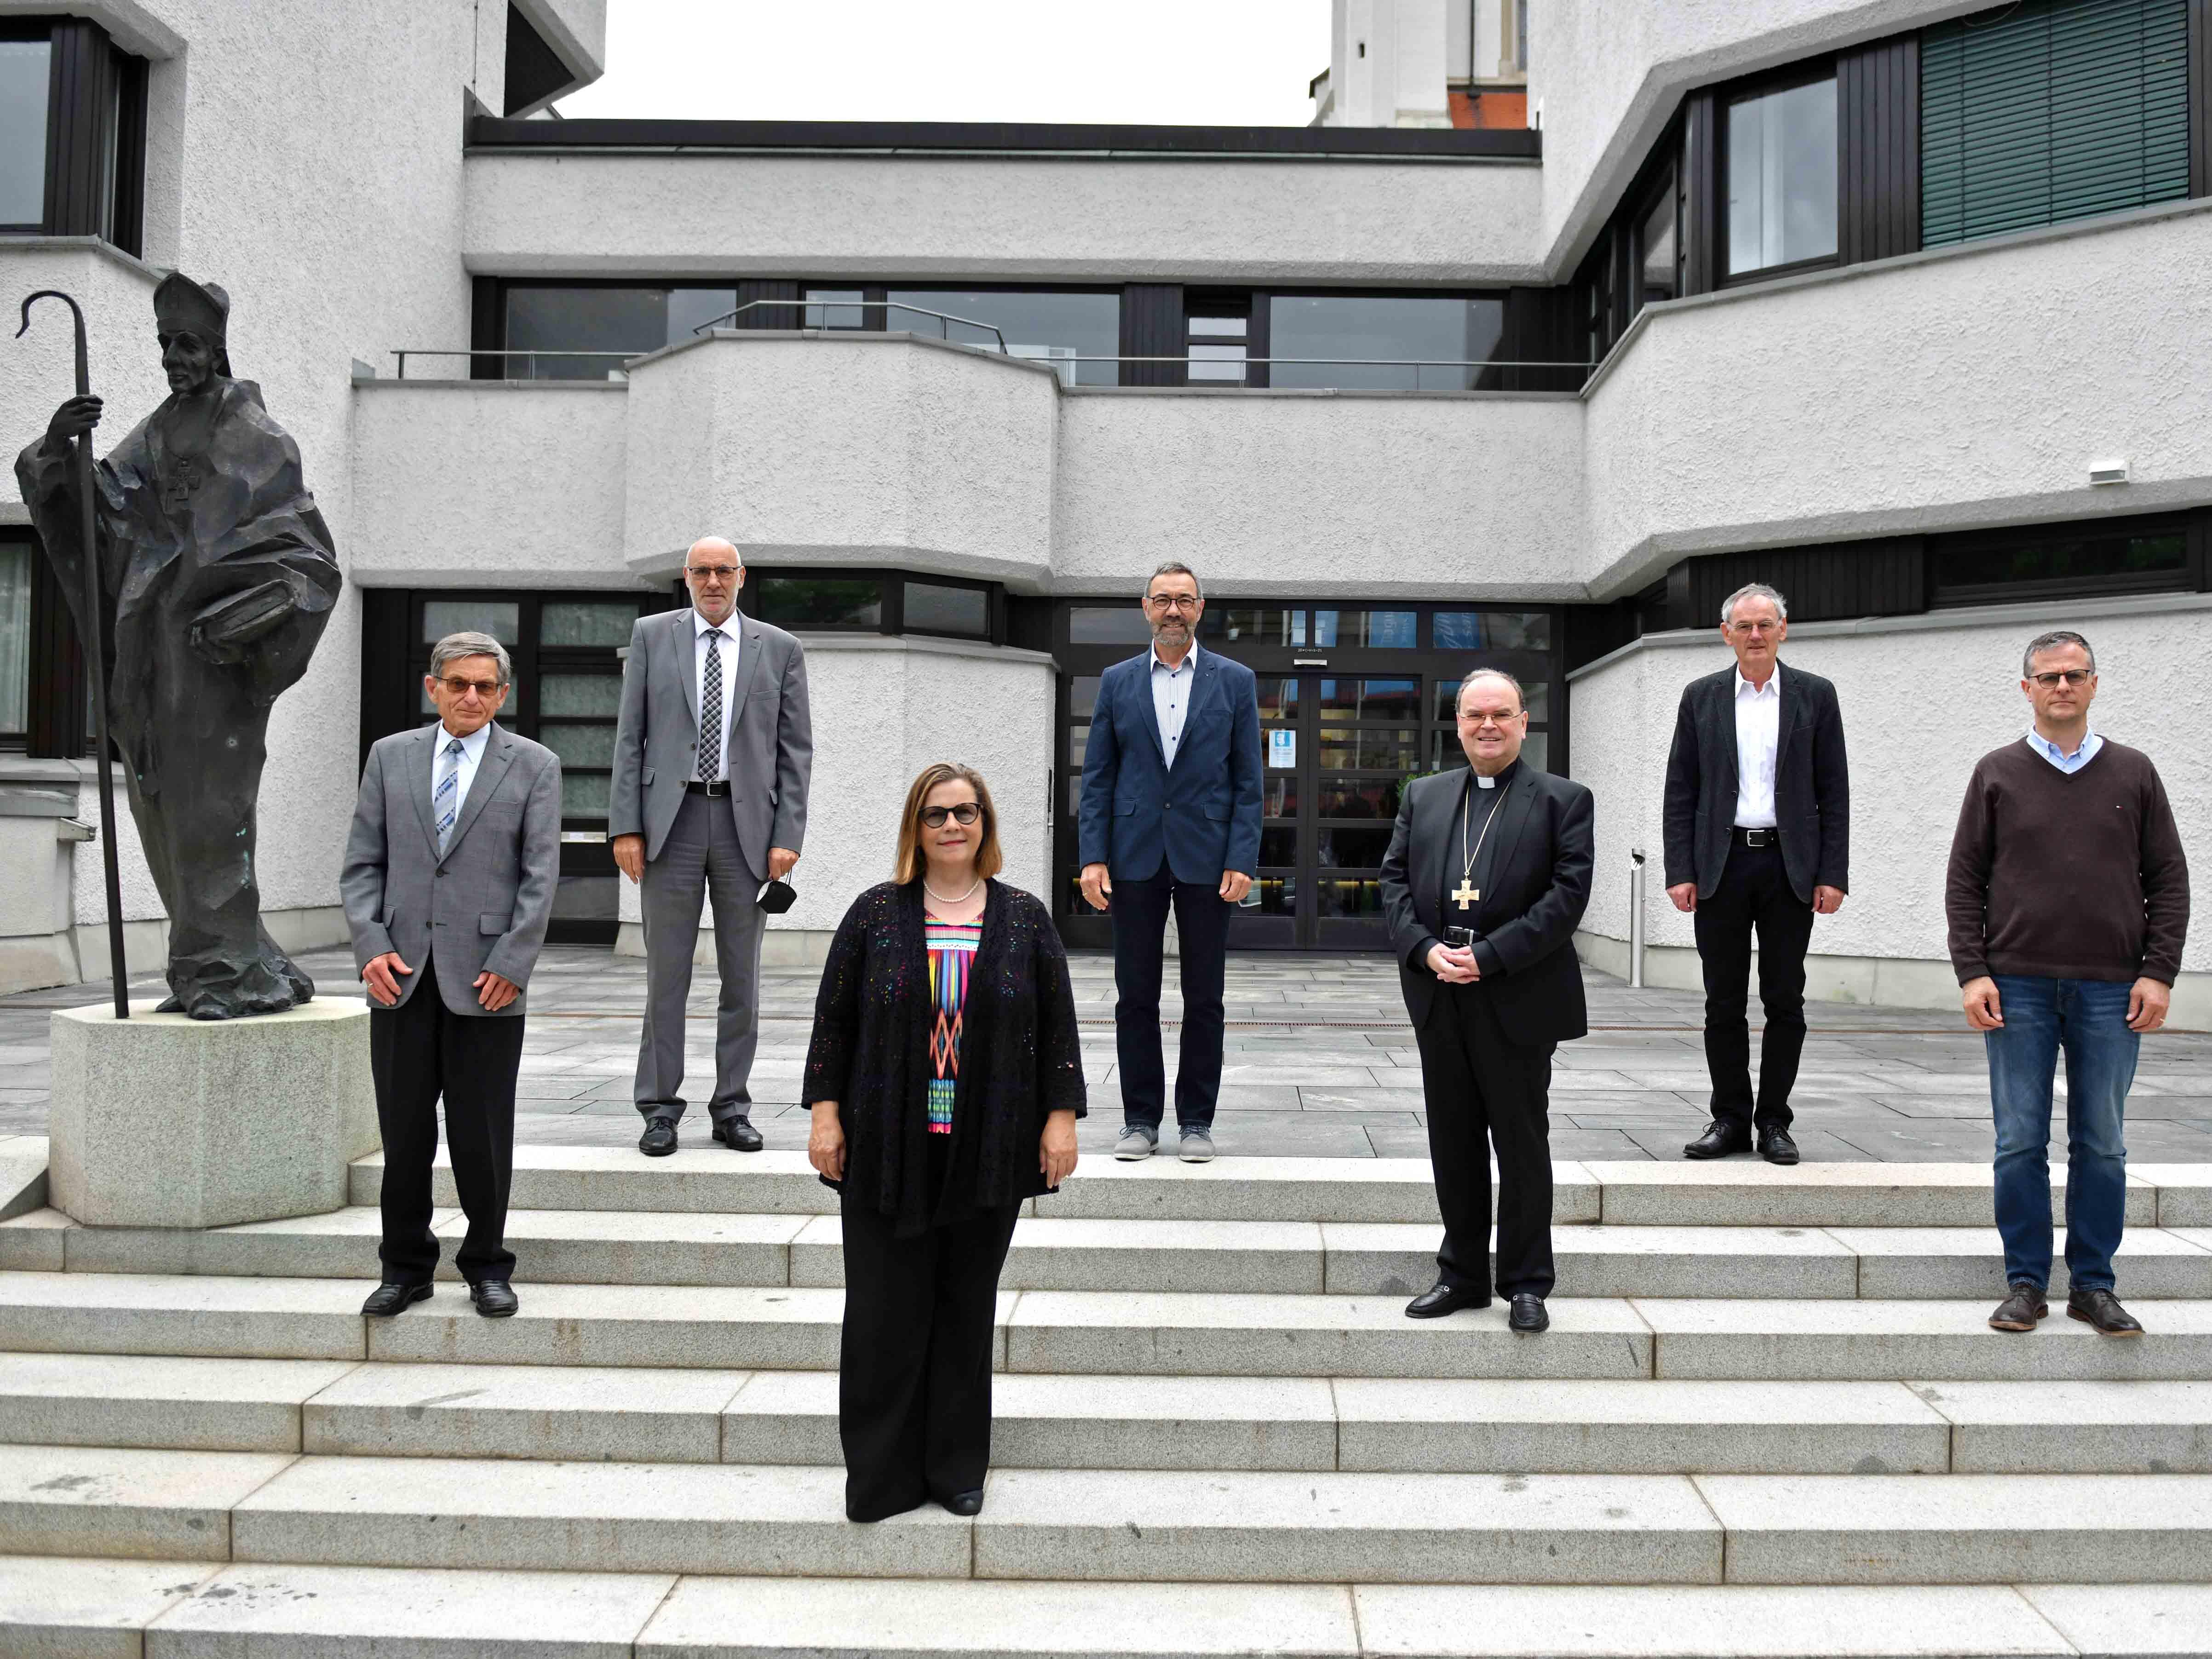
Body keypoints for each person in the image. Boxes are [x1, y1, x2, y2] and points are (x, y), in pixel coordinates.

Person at [17, 272, 341, 1017]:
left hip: (220, 659)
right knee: (159, 805)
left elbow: (309, 558)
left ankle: (220, 973)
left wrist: (242, 611)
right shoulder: (157, 431)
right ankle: (239, 960)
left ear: (218, 348)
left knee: (210, 806)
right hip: (152, 651)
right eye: (165, 344)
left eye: (187, 344)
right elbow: (104, 511)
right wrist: (59, 449)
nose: (174, 358)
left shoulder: (260, 439)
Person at [804, 763, 1084, 1521]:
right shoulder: (873, 914)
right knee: (882, 1313)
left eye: (965, 812)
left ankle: (957, 1467)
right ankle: (881, 1476)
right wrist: (823, 1114)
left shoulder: (1023, 918)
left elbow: (1056, 1028)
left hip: (985, 1146)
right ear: (915, 828)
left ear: (985, 823)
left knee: (963, 1311)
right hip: (886, 1145)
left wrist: (1060, 1118)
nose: (952, 826)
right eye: (936, 815)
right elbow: (833, 1024)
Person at [1946, 630, 2187, 1338]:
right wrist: (1972, 971)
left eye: (2074, 674)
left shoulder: (2134, 772)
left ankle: (2093, 1283)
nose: (2061, 686)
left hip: (2112, 987)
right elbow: (1965, 880)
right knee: (2018, 1138)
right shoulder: (1995, 772)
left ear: (2093, 683)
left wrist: (2158, 971)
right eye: (2047, 676)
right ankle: (2024, 1281)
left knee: (2103, 1140)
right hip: (2015, 983)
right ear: (2026, 687)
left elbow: (2167, 879)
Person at [339, 632, 562, 1320]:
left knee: (482, 1134)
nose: (472, 696)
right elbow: (362, 863)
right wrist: (371, 945)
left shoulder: (534, 765)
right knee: (404, 1132)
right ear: (432, 687)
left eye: (486, 686)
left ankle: (487, 1264)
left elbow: (539, 873)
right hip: (400, 975)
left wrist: (513, 961)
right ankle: (404, 1266)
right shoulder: (389, 756)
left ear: (504, 693)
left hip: (487, 979)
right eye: (459, 683)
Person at [1379, 669, 1594, 1334]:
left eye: (1502, 713)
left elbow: (1567, 896)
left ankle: (1527, 1280)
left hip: (1517, 994)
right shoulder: (1425, 795)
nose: (1488, 725)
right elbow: (1392, 880)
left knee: (1522, 1143)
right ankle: (1463, 1274)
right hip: (1441, 994)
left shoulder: (1564, 799)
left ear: (1524, 722)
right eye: (1475, 714)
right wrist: (1423, 948)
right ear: (1459, 722)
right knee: (1454, 1140)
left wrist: (1490, 955)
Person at [609, 536, 813, 1157]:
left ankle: (732, 1107)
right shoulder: (652, 636)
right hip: (668, 823)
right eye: (702, 570)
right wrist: (626, 826)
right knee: (664, 976)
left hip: (743, 826)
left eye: (724, 570)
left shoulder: (778, 648)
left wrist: (788, 837)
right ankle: (660, 1109)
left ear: (742, 576)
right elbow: (629, 737)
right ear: (687, 576)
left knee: (741, 979)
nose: (714, 580)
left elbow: (794, 751)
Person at [1076, 560, 1262, 1163]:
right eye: (1163, 600)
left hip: (1208, 856)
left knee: (1205, 995)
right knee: (1135, 994)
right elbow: (1099, 776)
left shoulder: (1235, 681)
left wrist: (1242, 855)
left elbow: (1248, 781)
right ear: (1146, 607)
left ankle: (1198, 1121)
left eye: (1184, 599)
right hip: (1133, 855)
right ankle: (1139, 1119)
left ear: (1201, 607)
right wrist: (1092, 857)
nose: (1174, 610)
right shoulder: (1117, 680)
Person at [1663, 582, 1850, 1165]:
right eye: (1744, 626)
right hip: (1720, 865)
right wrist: (1679, 868)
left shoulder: (1815, 696)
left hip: (1788, 865)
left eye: (1765, 624)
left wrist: (1833, 872)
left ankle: (1774, 1121)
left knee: (1784, 999)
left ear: (1783, 629)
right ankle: (1729, 1118)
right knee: (1722, 1002)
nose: (1755, 635)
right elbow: (1681, 789)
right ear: (1727, 634)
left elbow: (1834, 790)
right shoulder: (1702, 697)